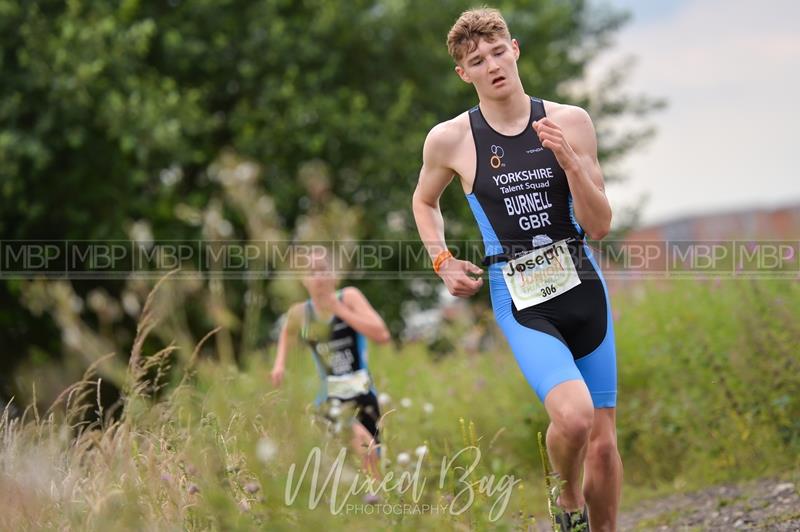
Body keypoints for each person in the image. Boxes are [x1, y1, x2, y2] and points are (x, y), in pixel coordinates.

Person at [411, 8, 621, 531]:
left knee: (603, 445)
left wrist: (571, 163)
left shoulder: (570, 121)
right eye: (477, 61)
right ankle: (566, 494)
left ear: (516, 50)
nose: (493, 66)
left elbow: (599, 225)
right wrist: (441, 261)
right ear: (465, 74)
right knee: (573, 417)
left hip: (582, 281)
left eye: (499, 52)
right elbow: (424, 201)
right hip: (520, 295)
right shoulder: (450, 140)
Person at [270, 250, 391, 483]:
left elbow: (382, 335)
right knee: (365, 450)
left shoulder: (349, 297)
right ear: (304, 280)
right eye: (312, 272)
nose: (320, 277)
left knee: (374, 461)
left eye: (324, 270)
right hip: (330, 401)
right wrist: (279, 365)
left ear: (334, 275)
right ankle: (377, 504)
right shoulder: (301, 312)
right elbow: (286, 332)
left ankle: (374, 507)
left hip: (364, 395)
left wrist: (340, 310)